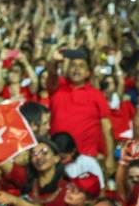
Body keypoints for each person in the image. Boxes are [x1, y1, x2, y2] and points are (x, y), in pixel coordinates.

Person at [45, 48, 116, 176]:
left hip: (86, 159)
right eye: (73, 65)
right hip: (57, 157)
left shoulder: (97, 95)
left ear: (88, 73)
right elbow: (51, 73)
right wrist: (54, 62)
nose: (76, 69)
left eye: (81, 66)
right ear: (67, 70)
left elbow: (107, 127)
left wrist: (110, 156)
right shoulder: (57, 87)